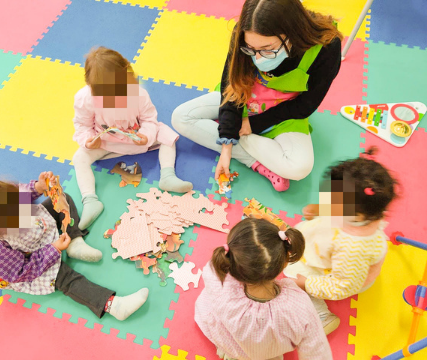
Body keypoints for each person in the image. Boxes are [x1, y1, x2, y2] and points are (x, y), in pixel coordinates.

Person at [172, 0, 343, 192]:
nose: (258, 58)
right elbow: (232, 84)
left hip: (283, 113)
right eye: (250, 49)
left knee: (299, 168)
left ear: (292, 33)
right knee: (180, 117)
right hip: (243, 98)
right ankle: (255, 162)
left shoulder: (327, 47)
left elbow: (306, 105)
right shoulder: (244, 32)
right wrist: (227, 144)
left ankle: (237, 136)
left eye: (268, 49)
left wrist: (251, 125)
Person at [0, 173, 148, 320]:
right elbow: (21, 272)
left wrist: (38, 187)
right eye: (10, 214)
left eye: (11, 204)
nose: (15, 209)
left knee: (63, 199)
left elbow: (19, 197)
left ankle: (75, 242)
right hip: (25, 265)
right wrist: (53, 249)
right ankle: (113, 305)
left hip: (30, 233)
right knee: (64, 277)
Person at [73, 47, 192, 230]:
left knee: (166, 133)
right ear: (91, 86)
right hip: (106, 143)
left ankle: (167, 176)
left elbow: (149, 120)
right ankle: (90, 200)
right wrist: (89, 140)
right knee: (79, 157)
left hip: (135, 139)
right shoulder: (84, 98)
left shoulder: (138, 94)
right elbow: (82, 125)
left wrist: (146, 136)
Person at [284, 147, 397, 334]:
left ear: (359, 215)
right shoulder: (365, 210)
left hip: (340, 274)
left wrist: (306, 284)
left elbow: (342, 286)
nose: (328, 200)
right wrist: (320, 209)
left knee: (292, 278)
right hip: (328, 245)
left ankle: (322, 315)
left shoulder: (354, 247)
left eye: (334, 200)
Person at [195, 217, 332, 359]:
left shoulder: (218, 278)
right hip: (265, 353)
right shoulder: (298, 305)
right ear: (285, 261)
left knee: (208, 303)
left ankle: (229, 352)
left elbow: (210, 274)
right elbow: (317, 352)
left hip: (229, 339)